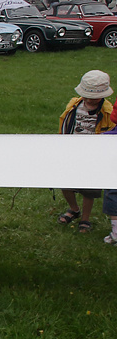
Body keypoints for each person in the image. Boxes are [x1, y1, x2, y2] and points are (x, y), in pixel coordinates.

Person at [56, 70, 114, 234]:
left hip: (94, 154)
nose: (89, 99)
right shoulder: (74, 104)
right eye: (86, 95)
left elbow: (110, 134)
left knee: (89, 188)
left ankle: (85, 218)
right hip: (71, 149)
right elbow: (65, 123)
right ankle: (74, 209)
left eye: (94, 96)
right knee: (64, 181)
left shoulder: (108, 111)